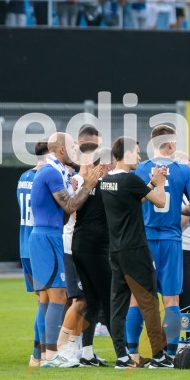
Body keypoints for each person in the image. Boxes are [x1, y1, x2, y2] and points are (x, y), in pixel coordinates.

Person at [100, 136, 173, 369]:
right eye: (138, 153)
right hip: (136, 250)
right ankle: (160, 355)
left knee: (118, 303)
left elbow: (134, 200)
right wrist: (160, 183)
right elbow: (160, 203)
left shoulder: (106, 180)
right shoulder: (130, 179)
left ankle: (121, 356)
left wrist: (149, 184)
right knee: (149, 302)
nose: (140, 157)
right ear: (128, 154)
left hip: (116, 250)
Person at [29, 133, 101, 367]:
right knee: (57, 297)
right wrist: (87, 186)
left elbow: (64, 211)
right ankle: (51, 355)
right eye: (72, 146)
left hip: (50, 235)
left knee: (48, 300)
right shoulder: (51, 172)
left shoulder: (57, 171)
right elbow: (70, 207)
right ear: (61, 150)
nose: (75, 150)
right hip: (46, 237)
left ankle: (38, 356)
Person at [126, 125, 190, 359]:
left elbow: (132, 204)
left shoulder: (140, 169)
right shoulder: (183, 170)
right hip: (171, 240)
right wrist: (179, 207)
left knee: (137, 298)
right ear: (170, 145)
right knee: (171, 299)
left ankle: (133, 352)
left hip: (144, 241)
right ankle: (171, 353)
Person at [71, 145, 113, 367]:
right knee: (109, 300)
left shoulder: (85, 183)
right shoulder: (107, 185)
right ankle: (125, 354)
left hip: (79, 246)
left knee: (93, 302)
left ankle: (86, 353)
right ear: (106, 165)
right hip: (95, 249)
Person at [18, 140, 48, 366]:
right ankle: (39, 353)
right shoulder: (46, 177)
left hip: (24, 245)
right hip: (40, 246)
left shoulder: (23, 177)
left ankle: (40, 353)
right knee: (47, 301)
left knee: (42, 301)